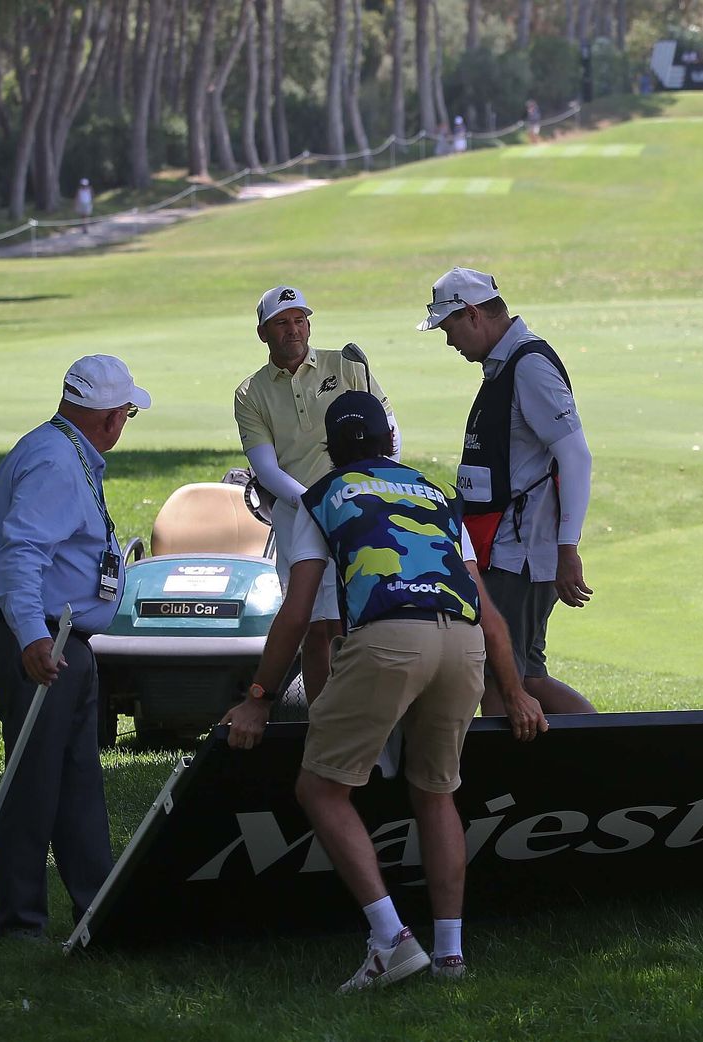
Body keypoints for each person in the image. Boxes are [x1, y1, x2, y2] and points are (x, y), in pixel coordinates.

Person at [221, 391, 546, 991]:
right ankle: (451, 954)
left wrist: (260, 694)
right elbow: (488, 610)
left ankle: (390, 938)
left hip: (391, 637)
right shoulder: (435, 496)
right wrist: (516, 690)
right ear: (389, 444)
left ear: (331, 450)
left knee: (320, 788)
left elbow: (298, 614)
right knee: (436, 792)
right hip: (465, 644)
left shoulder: (321, 497)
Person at [0, 355, 150, 939]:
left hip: (64, 636)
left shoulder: (65, 450)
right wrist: (32, 637)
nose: (126, 422)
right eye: (127, 412)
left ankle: (96, 911)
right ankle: (21, 922)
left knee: (77, 781)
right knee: (35, 779)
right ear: (110, 418)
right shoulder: (55, 461)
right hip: (41, 638)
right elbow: (20, 555)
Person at [417, 267, 597, 717]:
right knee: (518, 674)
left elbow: (576, 456)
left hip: (518, 553)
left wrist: (567, 547)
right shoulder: (506, 365)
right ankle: (597, 746)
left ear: (473, 314)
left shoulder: (528, 366)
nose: (449, 341)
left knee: (501, 675)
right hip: (505, 549)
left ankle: (589, 749)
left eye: (450, 327)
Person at [235, 286, 397, 702]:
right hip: (299, 514)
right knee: (311, 624)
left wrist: (369, 488)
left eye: (300, 320)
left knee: (352, 618)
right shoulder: (250, 393)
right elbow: (266, 468)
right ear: (263, 333)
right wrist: (313, 501)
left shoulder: (345, 364)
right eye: (282, 323)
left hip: (357, 508)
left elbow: (388, 431)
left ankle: (362, 710)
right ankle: (323, 718)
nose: (294, 330)